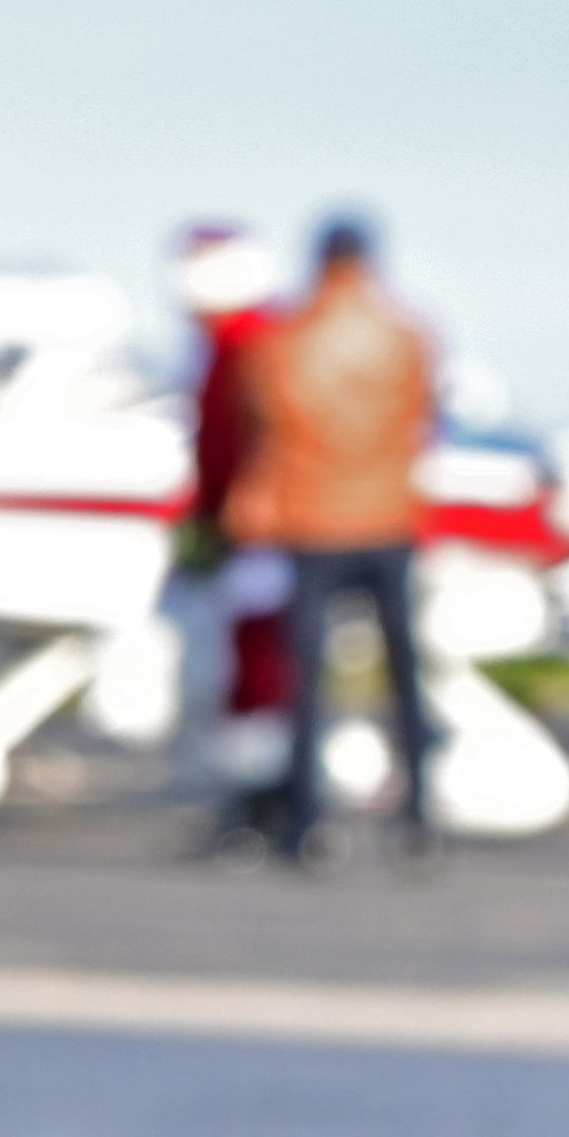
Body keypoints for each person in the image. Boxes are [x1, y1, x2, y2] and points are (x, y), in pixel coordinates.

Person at [216, 208, 442, 859]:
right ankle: (418, 818)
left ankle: (305, 821)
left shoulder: (285, 340)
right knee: (404, 673)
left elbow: (265, 430)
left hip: (312, 522)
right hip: (388, 516)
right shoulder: (407, 336)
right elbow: (420, 416)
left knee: (306, 681)